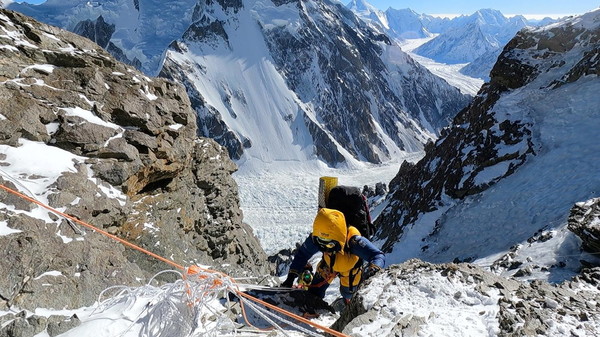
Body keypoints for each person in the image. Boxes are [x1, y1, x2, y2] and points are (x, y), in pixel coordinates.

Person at [281, 207, 385, 302]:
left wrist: (373, 269)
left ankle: (347, 301)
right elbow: (303, 254)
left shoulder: (353, 241)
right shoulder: (317, 238)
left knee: (348, 294)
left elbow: (377, 255)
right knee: (315, 292)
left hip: (348, 268)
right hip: (331, 264)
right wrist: (290, 277)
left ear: (339, 238)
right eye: (321, 243)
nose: (325, 248)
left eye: (329, 244)